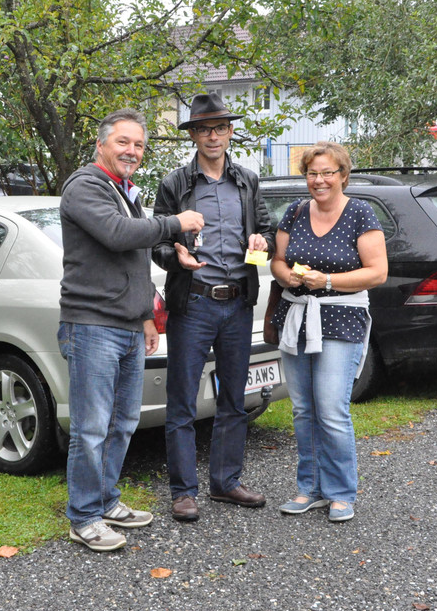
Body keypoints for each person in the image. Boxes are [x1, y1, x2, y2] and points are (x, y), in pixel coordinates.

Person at [58, 108, 204, 551]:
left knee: (123, 422)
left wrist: (145, 316)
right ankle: (84, 517)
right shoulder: (85, 186)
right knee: (91, 428)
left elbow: (133, 259)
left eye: (139, 144)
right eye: (123, 142)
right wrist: (177, 222)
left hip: (125, 326)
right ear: (101, 144)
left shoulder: (123, 191)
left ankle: (105, 501)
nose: (132, 151)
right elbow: (118, 234)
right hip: (92, 325)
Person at [152, 93, 276, 522]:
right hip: (194, 303)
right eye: (204, 129)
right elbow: (157, 243)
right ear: (193, 135)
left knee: (234, 400)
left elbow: (267, 231)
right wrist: (176, 258)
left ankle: (225, 482)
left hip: (238, 303)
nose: (212, 136)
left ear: (230, 132)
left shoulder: (247, 180)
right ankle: (183, 492)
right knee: (183, 401)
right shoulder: (175, 184)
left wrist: (263, 241)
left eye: (220, 128)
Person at [269, 142, 387, 522]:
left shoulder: (360, 213)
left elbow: (377, 272)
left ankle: (340, 492)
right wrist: (286, 275)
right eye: (312, 173)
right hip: (297, 317)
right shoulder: (295, 211)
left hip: (341, 317)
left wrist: (329, 281)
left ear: (343, 176)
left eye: (327, 173)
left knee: (332, 410)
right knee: (304, 410)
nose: (319, 180)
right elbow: (278, 261)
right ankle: (310, 489)